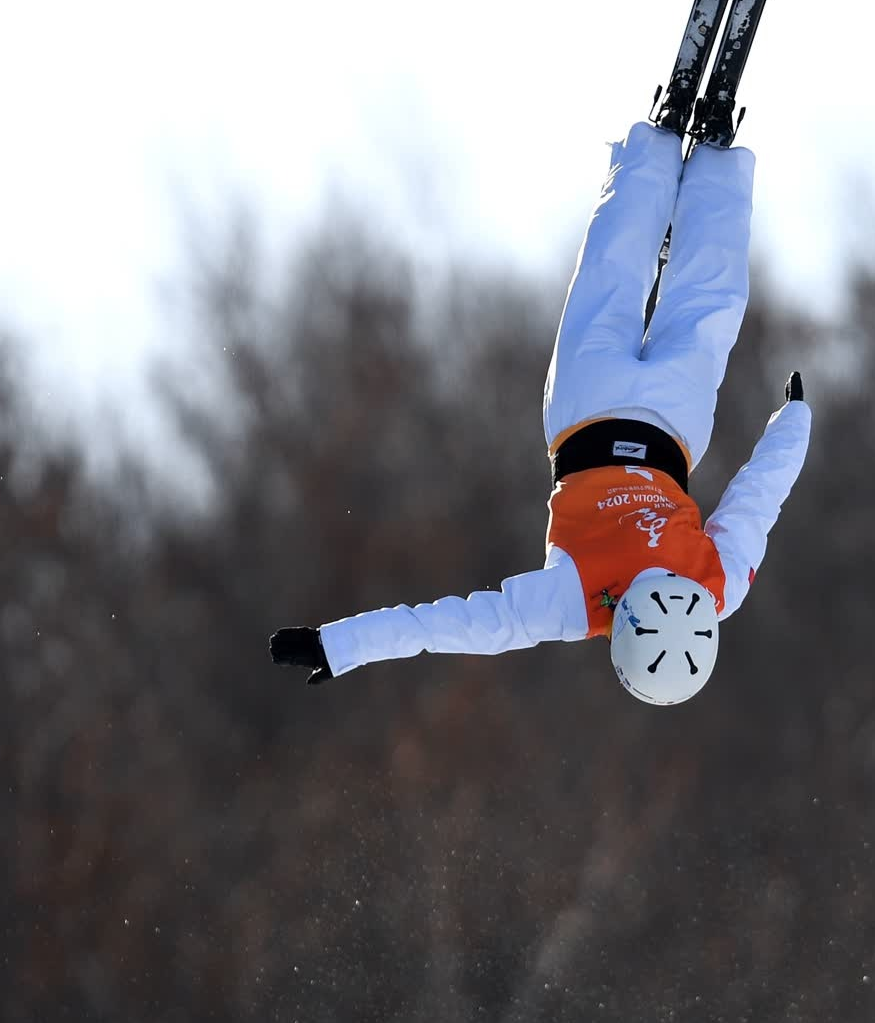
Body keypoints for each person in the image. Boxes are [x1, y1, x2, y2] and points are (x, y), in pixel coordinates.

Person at [267, 120, 811, 704]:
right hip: (630, 416)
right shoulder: (643, 596)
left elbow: (760, 496)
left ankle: (681, 151)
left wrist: (794, 421)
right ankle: (695, 162)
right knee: (657, 284)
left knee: (668, 287)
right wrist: (794, 421)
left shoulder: (596, 600)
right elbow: (445, 626)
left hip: (623, 413)